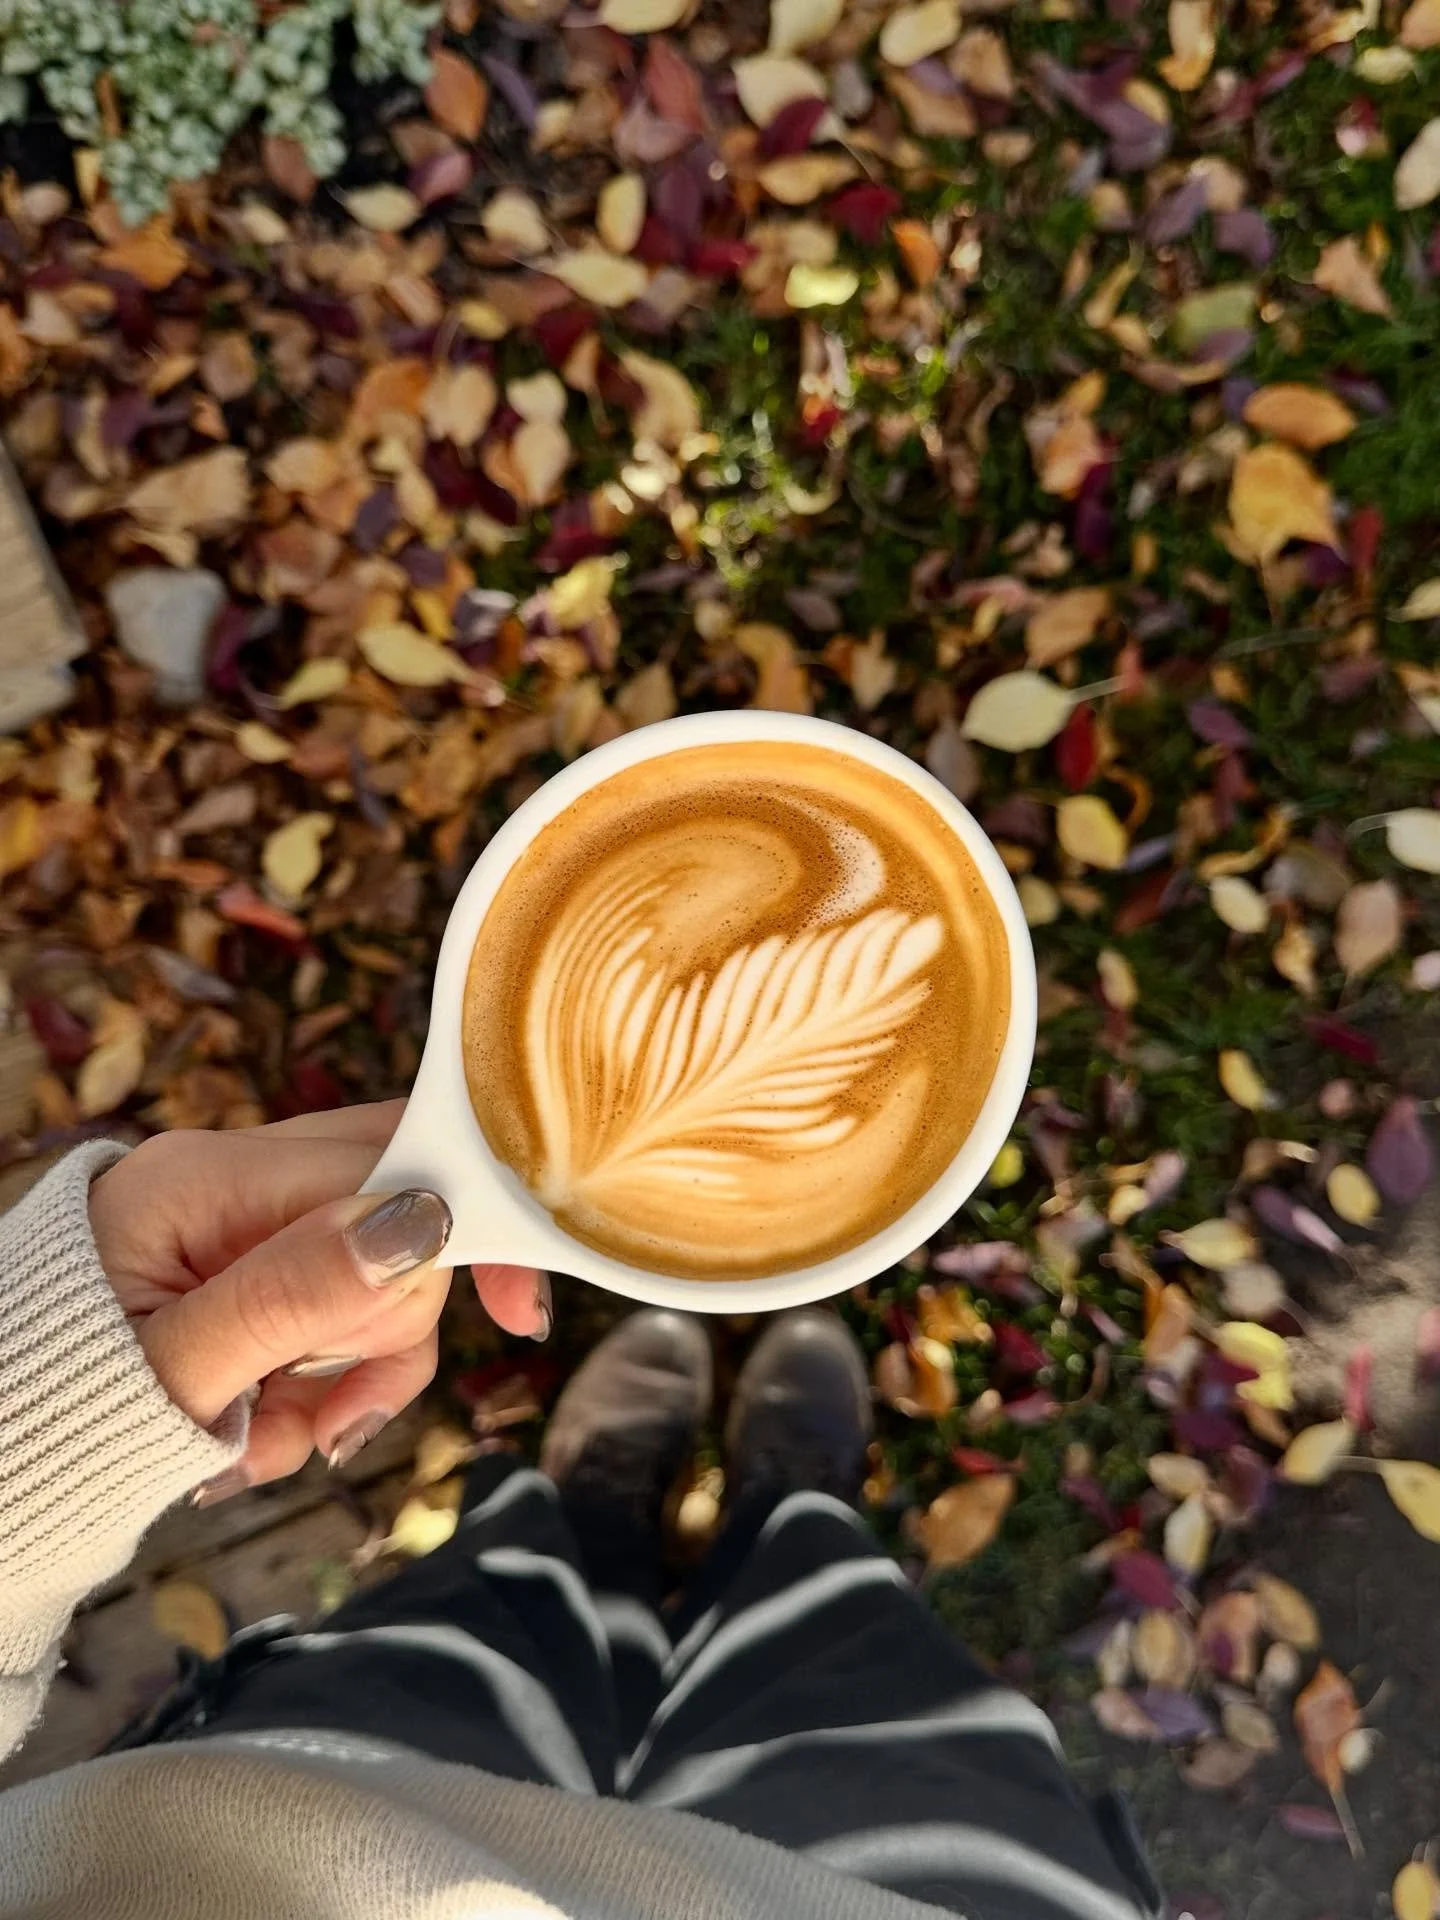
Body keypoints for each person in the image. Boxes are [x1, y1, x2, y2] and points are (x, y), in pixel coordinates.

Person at [0, 1103, 1158, 1920]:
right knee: (848, 1660)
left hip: (264, 1832)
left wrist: (32, 1416)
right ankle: (794, 1521)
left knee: (488, 1618)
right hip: (940, 1885)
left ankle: (588, 1531)